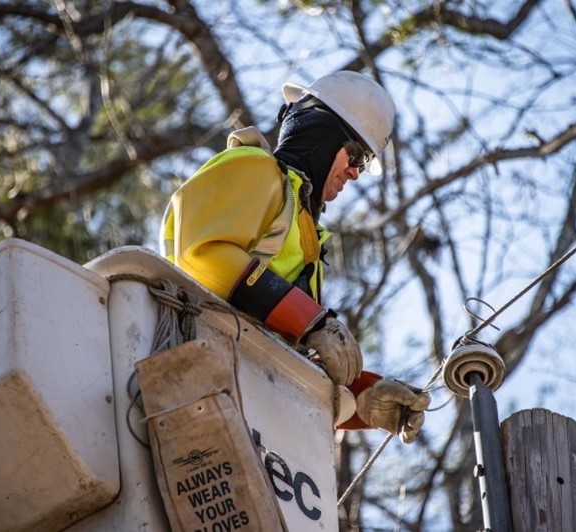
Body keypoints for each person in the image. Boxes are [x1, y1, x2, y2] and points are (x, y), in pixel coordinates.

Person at [160, 71, 429, 443]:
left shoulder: (307, 240)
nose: (355, 173)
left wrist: (361, 400)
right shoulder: (255, 169)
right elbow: (201, 254)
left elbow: (283, 364)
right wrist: (311, 321)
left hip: (241, 413)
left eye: (364, 164)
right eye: (355, 155)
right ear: (320, 135)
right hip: (187, 374)